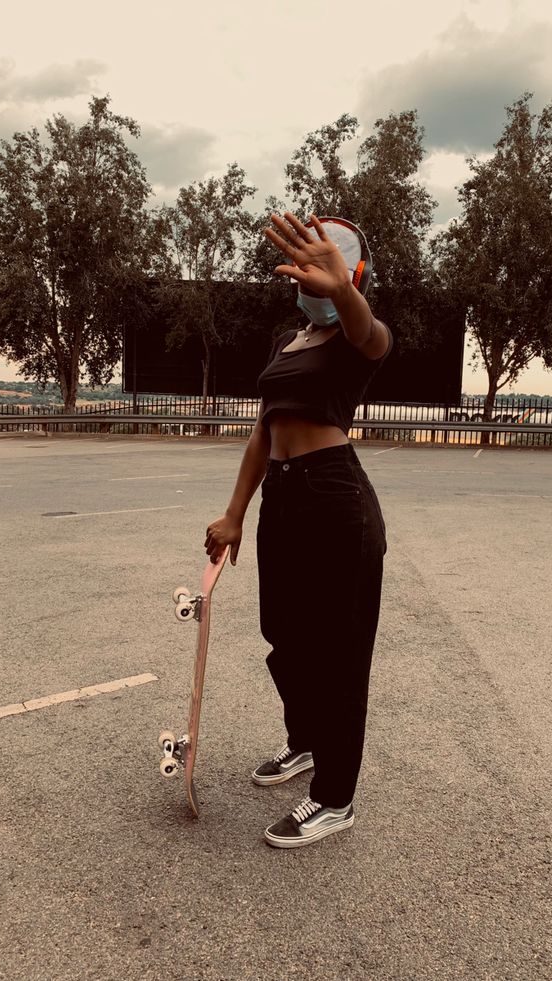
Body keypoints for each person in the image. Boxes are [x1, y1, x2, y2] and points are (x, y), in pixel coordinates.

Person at [204, 212, 393, 848]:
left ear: (351, 277)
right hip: (284, 499)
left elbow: (371, 334)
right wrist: (235, 513)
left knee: (338, 653)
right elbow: (264, 429)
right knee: (283, 636)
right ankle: (307, 743)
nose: (314, 287)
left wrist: (346, 292)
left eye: (331, 276)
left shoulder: (358, 339)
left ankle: (335, 799)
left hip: (336, 499)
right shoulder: (288, 341)